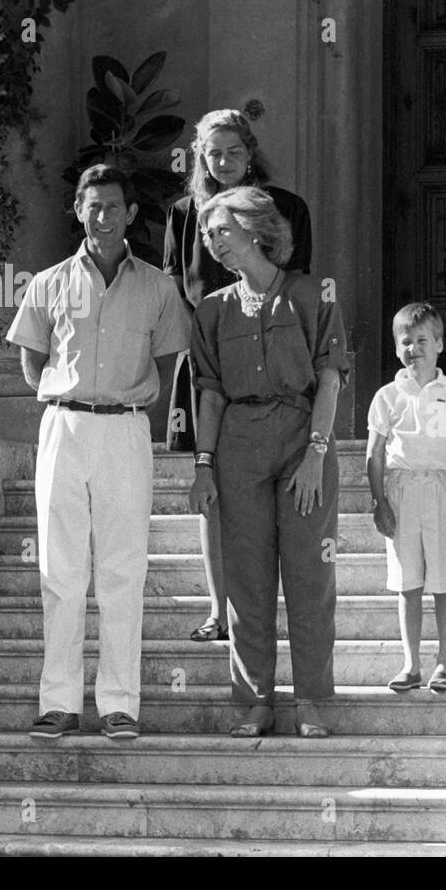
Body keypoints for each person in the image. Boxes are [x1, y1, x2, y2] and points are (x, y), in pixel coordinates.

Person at [8, 164, 190, 740]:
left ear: (132, 214)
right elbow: (32, 359)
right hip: (63, 426)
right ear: (79, 212)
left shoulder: (158, 288)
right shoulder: (48, 282)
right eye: (94, 206)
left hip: (125, 430)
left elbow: (167, 363)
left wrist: (130, 404)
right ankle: (59, 703)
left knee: (122, 569)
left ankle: (119, 705)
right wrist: (63, 394)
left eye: (115, 206)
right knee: (60, 569)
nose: (105, 217)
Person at [187, 186, 347, 739]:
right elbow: (209, 392)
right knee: (246, 582)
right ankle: (255, 701)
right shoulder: (210, 310)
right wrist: (204, 464)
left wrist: (316, 454)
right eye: (207, 235)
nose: (213, 243)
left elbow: (329, 378)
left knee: (308, 576)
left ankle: (310, 700)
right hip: (238, 444)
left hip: (304, 439)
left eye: (221, 231)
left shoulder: (312, 293)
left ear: (255, 229)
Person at [164, 109, 313, 643]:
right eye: (212, 153)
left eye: (232, 151)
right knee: (214, 495)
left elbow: (299, 287)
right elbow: (174, 291)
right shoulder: (184, 214)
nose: (222, 161)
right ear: (200, 159)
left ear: (251, 153)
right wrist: (203, 352)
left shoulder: (286, 208)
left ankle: (261, 611)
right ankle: (218, 608)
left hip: (273, 362)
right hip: (209, 362)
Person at [367, 302, 446, 694]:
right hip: (402, 489)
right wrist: (380, 501)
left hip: (442, 489)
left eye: (422, 340)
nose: (414, 348)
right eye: (406, 342)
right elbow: (375, 452)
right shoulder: (388, 396)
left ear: (440, 344)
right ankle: (411, 663)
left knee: (444, 580)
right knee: (408, 582)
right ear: (397, 349)